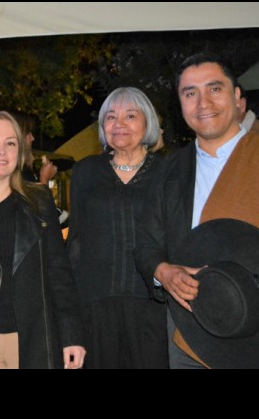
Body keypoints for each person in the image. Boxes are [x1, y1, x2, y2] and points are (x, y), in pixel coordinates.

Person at [136, 52, 259, 369]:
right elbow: (146, 244)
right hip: (188, 334)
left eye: (214, 89)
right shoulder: (169, 171)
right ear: (180, 106)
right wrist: (162, 272)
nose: (203, 103)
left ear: (237, 97)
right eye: (190, 93)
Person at [0, 111, 85, 369]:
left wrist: (72, 335)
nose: (1, 151)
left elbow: (59, 275)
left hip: (32, 338)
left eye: (10, 143)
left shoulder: (40, 201)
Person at [68, 87, 168, 369]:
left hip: (152, 304)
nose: (119, 124)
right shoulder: (85, 171)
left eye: (130, 116)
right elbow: (76, 240)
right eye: (110, 117)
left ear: (147, 122)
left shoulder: (168, 172)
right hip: (95, 305)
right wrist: (69, 307)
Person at [10, 111, 57, 184]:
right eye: (28, 133)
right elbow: (37, 195)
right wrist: (44, 178)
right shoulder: (18, 171)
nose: (32, 138)